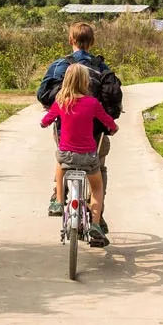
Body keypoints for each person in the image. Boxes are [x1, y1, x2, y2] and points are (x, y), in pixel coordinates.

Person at [36, 21, 120, 207]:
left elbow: (42, 94)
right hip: (96, 131)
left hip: (65, 128)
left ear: (70, 40)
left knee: (63, 153)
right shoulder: (102, 67)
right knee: (100, 166)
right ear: (92, 41)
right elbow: (112, 99)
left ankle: (58, 193)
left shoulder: (59, 65)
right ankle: (97, 212)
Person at [41, 63, 115, 245]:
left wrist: (46, 122)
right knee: (97, 188)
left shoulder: (60, 101)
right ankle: (95, 225)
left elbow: (45, 121)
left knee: (60, 162)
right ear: (86, 82)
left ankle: (58, 201)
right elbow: (108, 122)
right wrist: (113, 128)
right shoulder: (92, 103)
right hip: (88, 157)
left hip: (67, 156)